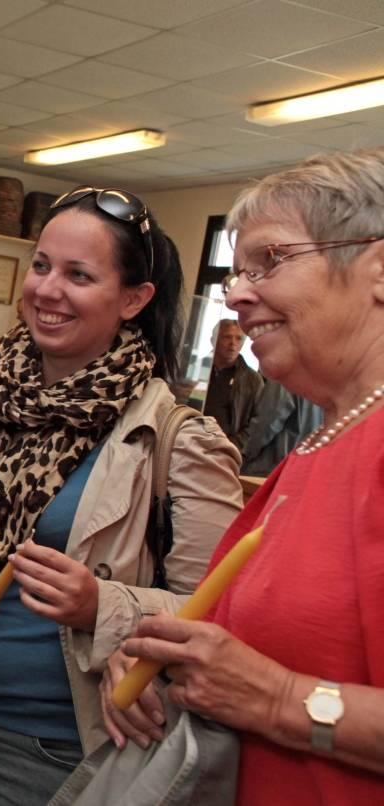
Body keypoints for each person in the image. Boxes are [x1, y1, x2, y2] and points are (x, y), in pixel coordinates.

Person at [0, 187, 244, 805]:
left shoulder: (177, 439)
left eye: (79, 275)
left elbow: (221, 617)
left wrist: (100, 604)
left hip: (52, 749)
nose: (47, 290)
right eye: (41, 266)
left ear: (135, 299)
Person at [101, 148, 384, 804]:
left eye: (271, 260)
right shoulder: (317, 451)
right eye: (235, 269)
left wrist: (283, 701)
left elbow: (278, 683)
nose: (234, 292)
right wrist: (170, 662)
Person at [238, 379, 323, 476]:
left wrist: (242, 454)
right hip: (300, 470)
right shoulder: (322, 381)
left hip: (268, 469)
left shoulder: (285, 375)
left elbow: (265, 425)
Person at [202, 319, 264, 448]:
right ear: (213, 340)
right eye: (227, 337)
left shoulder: (252, 380)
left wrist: (231, 446)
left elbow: (258, 423)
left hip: (226, 451)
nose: (233, 344)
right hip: (190, 442)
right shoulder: (196, 369)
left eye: (239, 339)